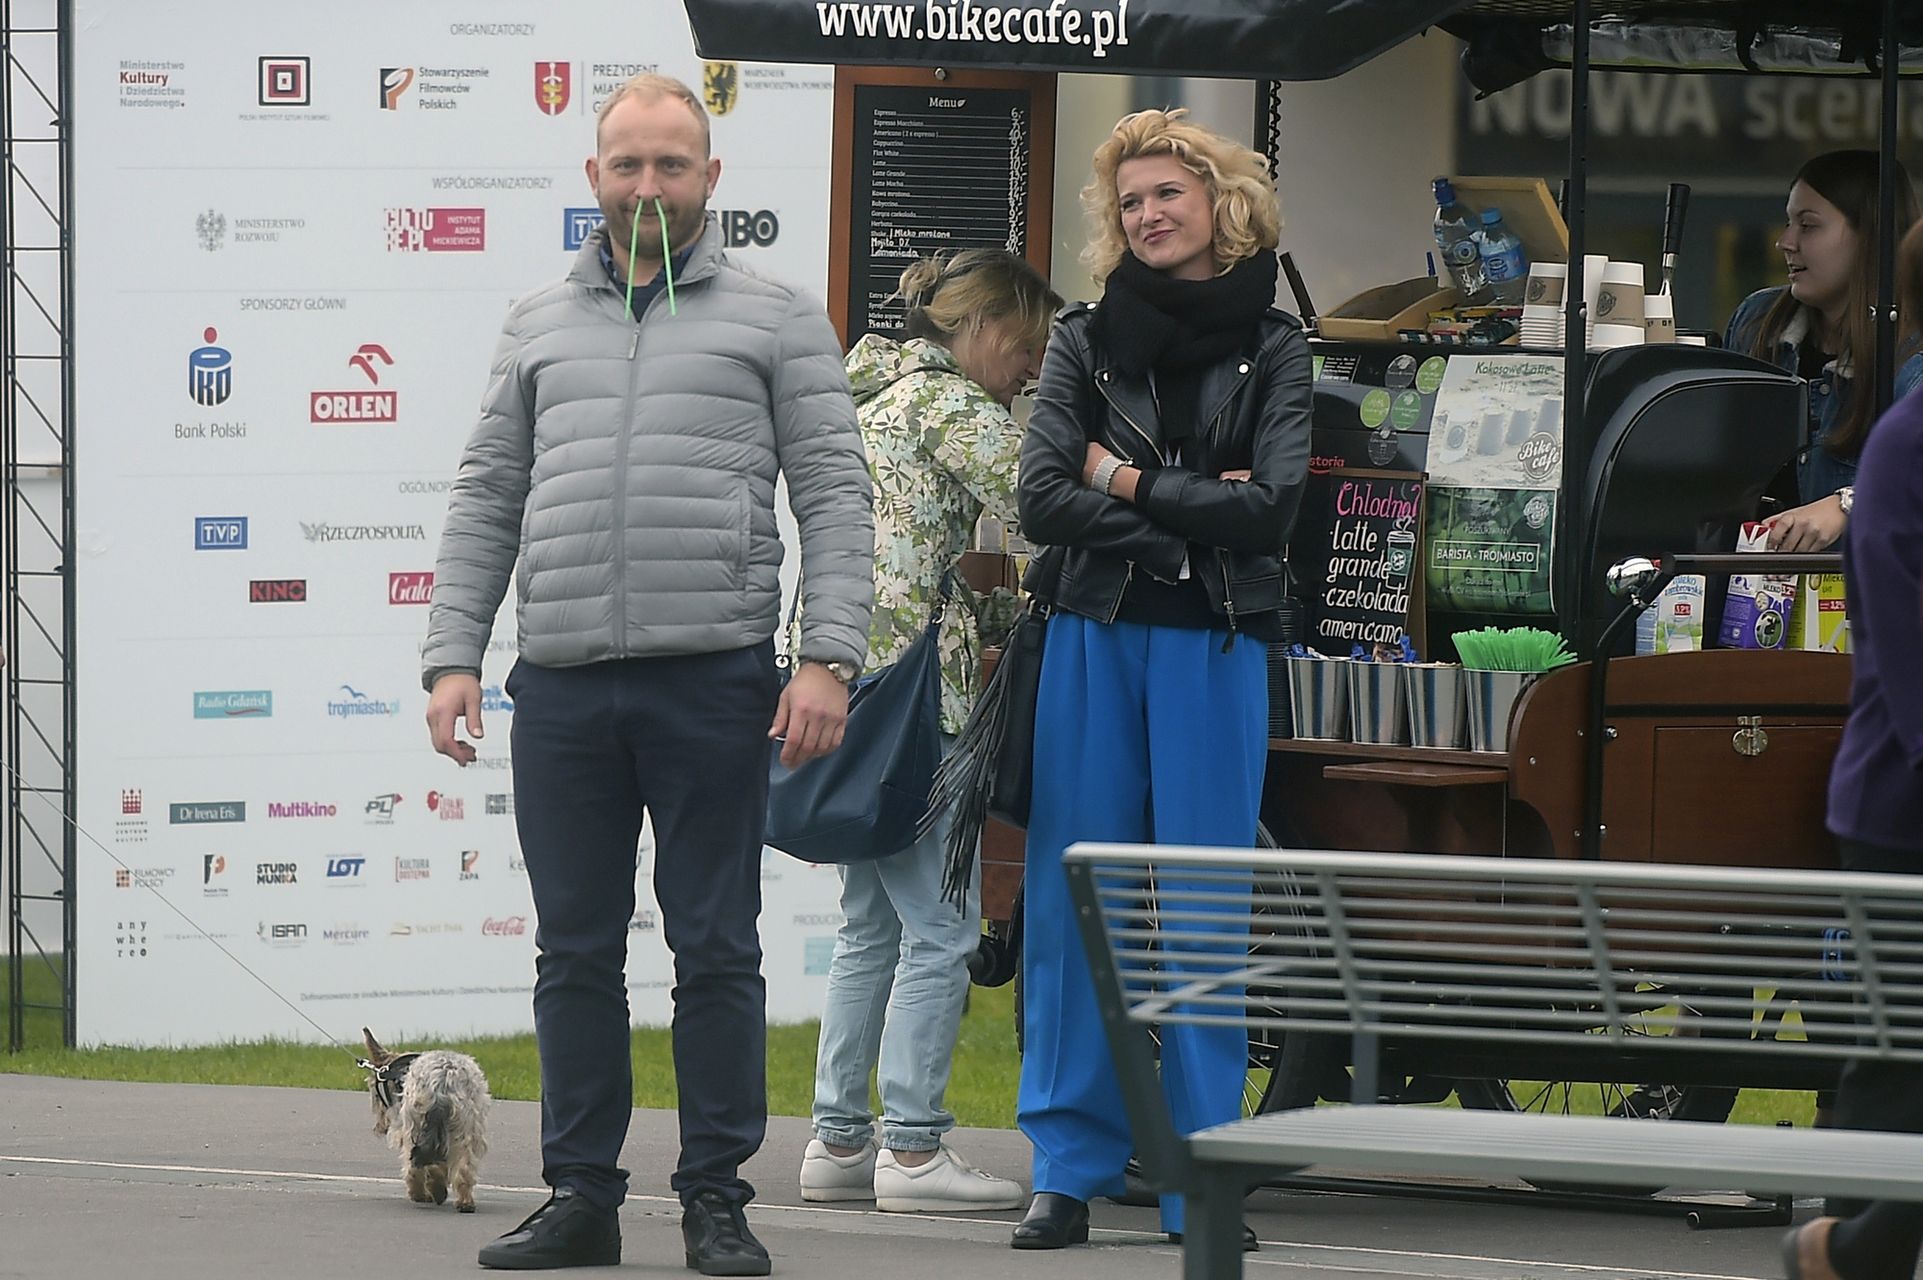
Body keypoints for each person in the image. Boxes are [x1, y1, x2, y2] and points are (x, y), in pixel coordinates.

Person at [422, 73, 875, 1274]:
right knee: (573, 949)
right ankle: (580, 1194)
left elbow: (835, 494)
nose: (648, 186)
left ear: (711, 180)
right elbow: (487, 496)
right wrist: (452, 651)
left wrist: (827, 655)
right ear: (594, 179)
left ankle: (717, 1195)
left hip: (716, 678)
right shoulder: (535, 323)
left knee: (714, 944)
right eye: (627, 165)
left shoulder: (778, 318)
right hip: (562, 684)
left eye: (673, 165)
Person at [1008, 107, 1310, 1251]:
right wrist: (1185, 525)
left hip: (1219, 645)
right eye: (1130, 202)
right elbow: (1041, 494)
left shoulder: (1279, 345)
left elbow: (1272, 506)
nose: (1146, 216)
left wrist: (1123, 480)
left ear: (1220, 203)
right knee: (1070, 901)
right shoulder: (1084, 339)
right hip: (1094, 632)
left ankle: (1201, 1177)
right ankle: (1065, 1167)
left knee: (1201, 912)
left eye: (1166, 196)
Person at [797, 249, 1060, 1213]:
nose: (1031, 372)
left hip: (844, 680)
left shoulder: (873, 395)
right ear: (982, 329)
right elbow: (1045, 512)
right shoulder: (953, 408)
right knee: (943, 931)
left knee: (869, 926)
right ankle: (911, 1151)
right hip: (917, 696)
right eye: (1026, 348)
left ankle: (836, 1141)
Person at [1782, 222, 1923, 1280]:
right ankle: (1849, 1254)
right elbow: (1907, 648)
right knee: (1894, 1059)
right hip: (1901, 801)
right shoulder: (1907, 440)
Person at [1725, 150, 1923, 553]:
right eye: (1788, 222)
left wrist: (1847, 504)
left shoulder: (1913, 356)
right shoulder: (1756, 320)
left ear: (1872, 236)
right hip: (1747, 598)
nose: (1785, 242)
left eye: (1808, 226)